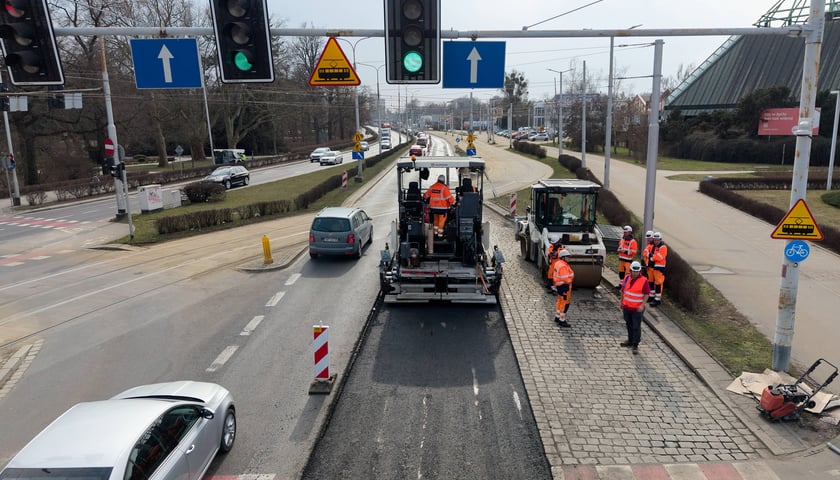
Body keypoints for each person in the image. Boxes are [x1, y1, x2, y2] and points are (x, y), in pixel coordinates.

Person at [620, 261, 651, 355]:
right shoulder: (626, 278)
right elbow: (622, 291)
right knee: (628, 324)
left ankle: (635, 345)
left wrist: (642, 305)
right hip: (627, 307)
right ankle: (630, 340)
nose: (635, 273)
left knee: (636, 327)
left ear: (640, 271)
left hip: (637, 309)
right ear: (630, 271)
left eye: (637, 272)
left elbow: (646, 294)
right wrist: (621, 302)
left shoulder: (644, 281)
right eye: (633, 271)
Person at [551, 249, 575, 328]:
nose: (569, 258)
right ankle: (562, 320)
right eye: (568, 257)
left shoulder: (558, 263)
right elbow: (565, 278)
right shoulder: (563, 266)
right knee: (565, 304)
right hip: (565, 287)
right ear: (563, 257)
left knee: (560, 301)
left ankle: (557, 317)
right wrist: (570, 280)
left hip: (559, 286)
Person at [649, 232, 668, 306]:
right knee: (655, 283)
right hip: (655, 268)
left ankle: (657, 299)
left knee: (658, 284)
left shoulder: (663, 247)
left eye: (657, 240)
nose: (656, 241)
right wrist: (653, 256)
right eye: (655, 240)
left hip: (660, 268)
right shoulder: (655, 247)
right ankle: (655, 297)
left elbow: (660, 257)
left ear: (660, 240)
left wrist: (652, 257)